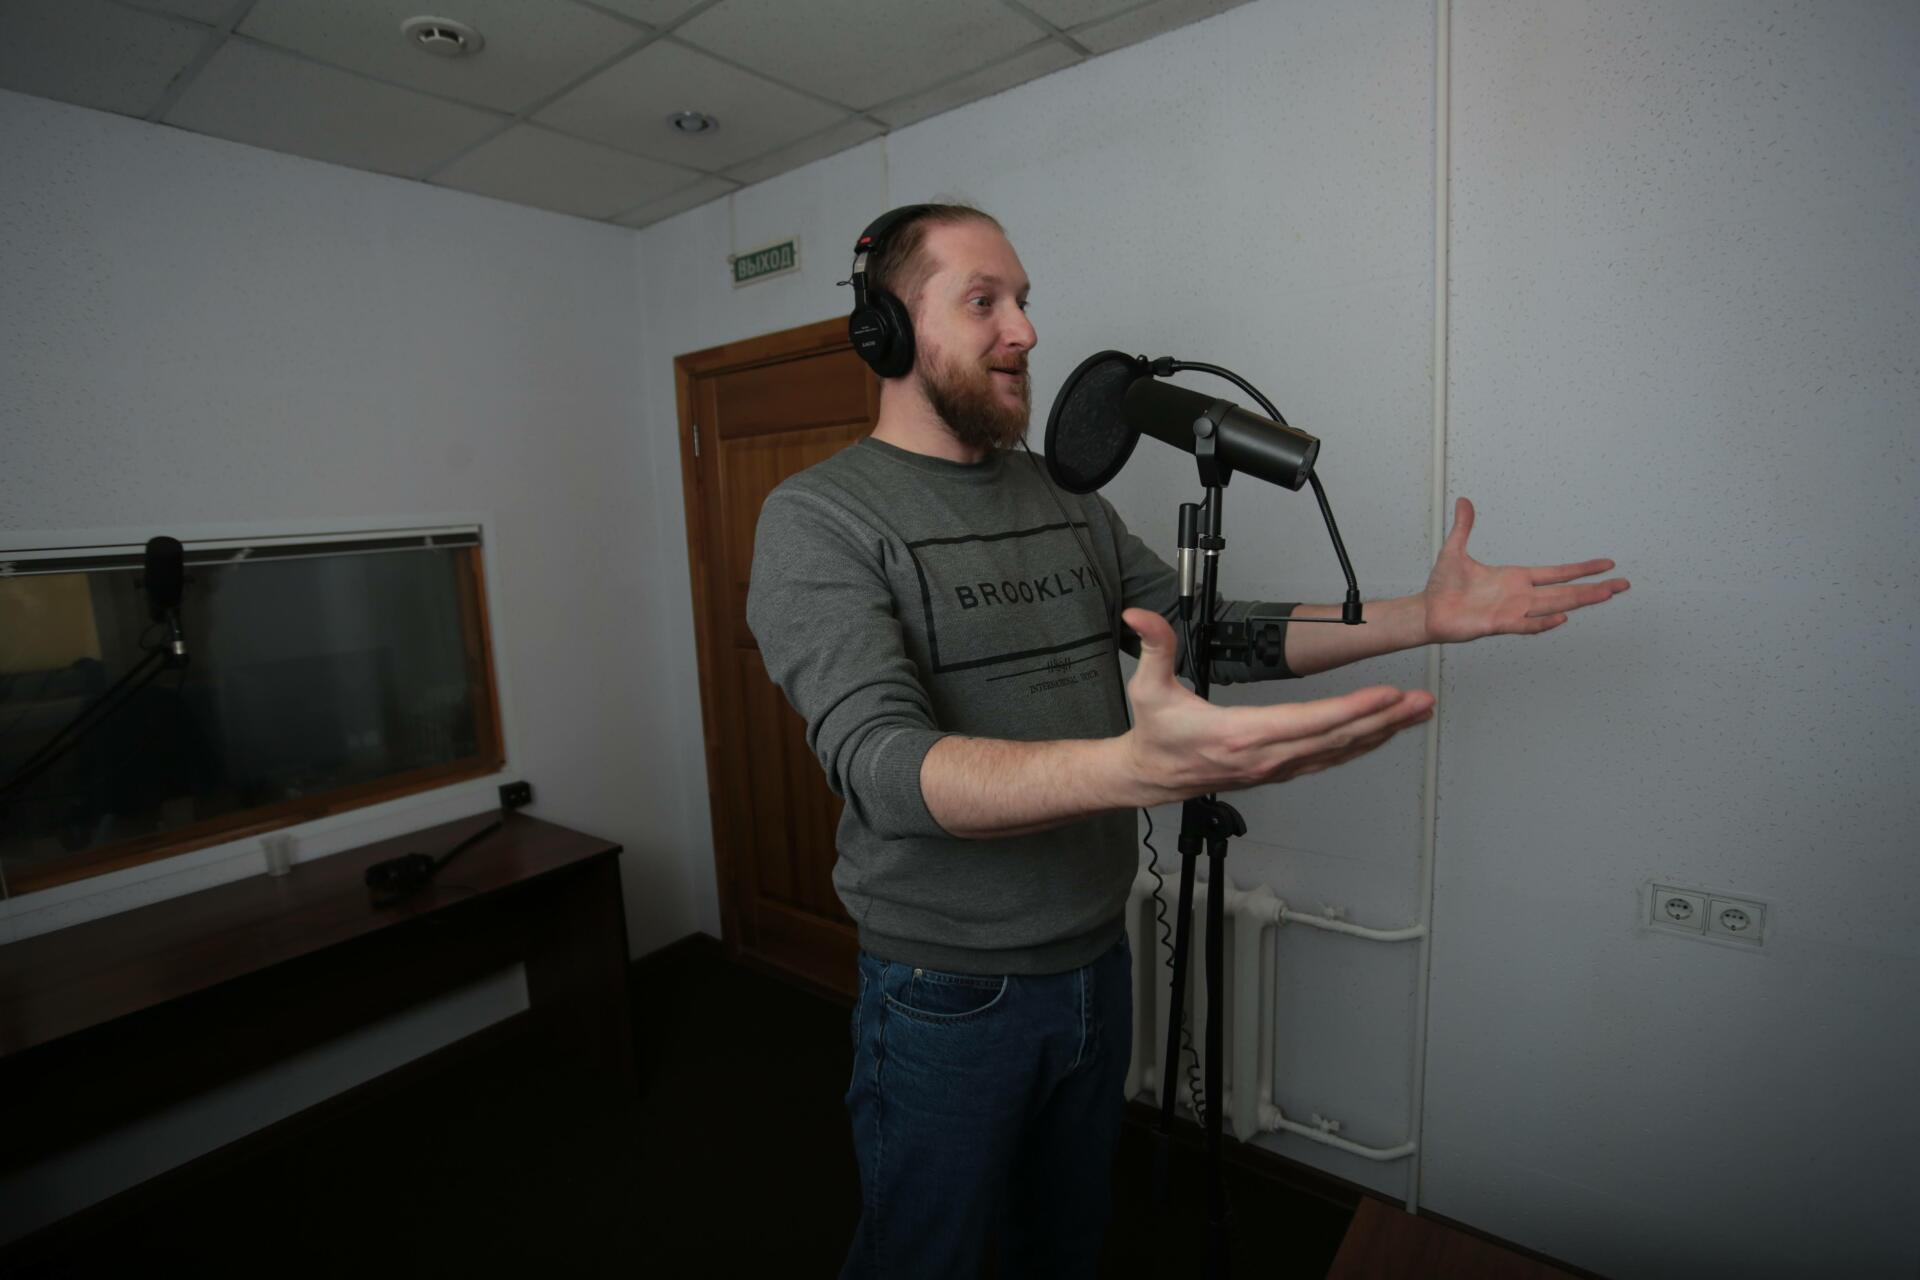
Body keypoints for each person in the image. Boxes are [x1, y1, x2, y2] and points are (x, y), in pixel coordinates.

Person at [745, 204, 1628, 1279]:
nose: (1025, 330)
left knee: (1063, 1241)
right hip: (948, 988)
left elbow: (1204, 630)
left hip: (1093, 953)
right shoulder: (819, 518)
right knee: (929, 1258)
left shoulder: (1061, 495)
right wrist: (1128, 769)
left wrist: (1420, 617)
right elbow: (884, 767)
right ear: (885, 326)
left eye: (1024, 300)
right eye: (984, 301)